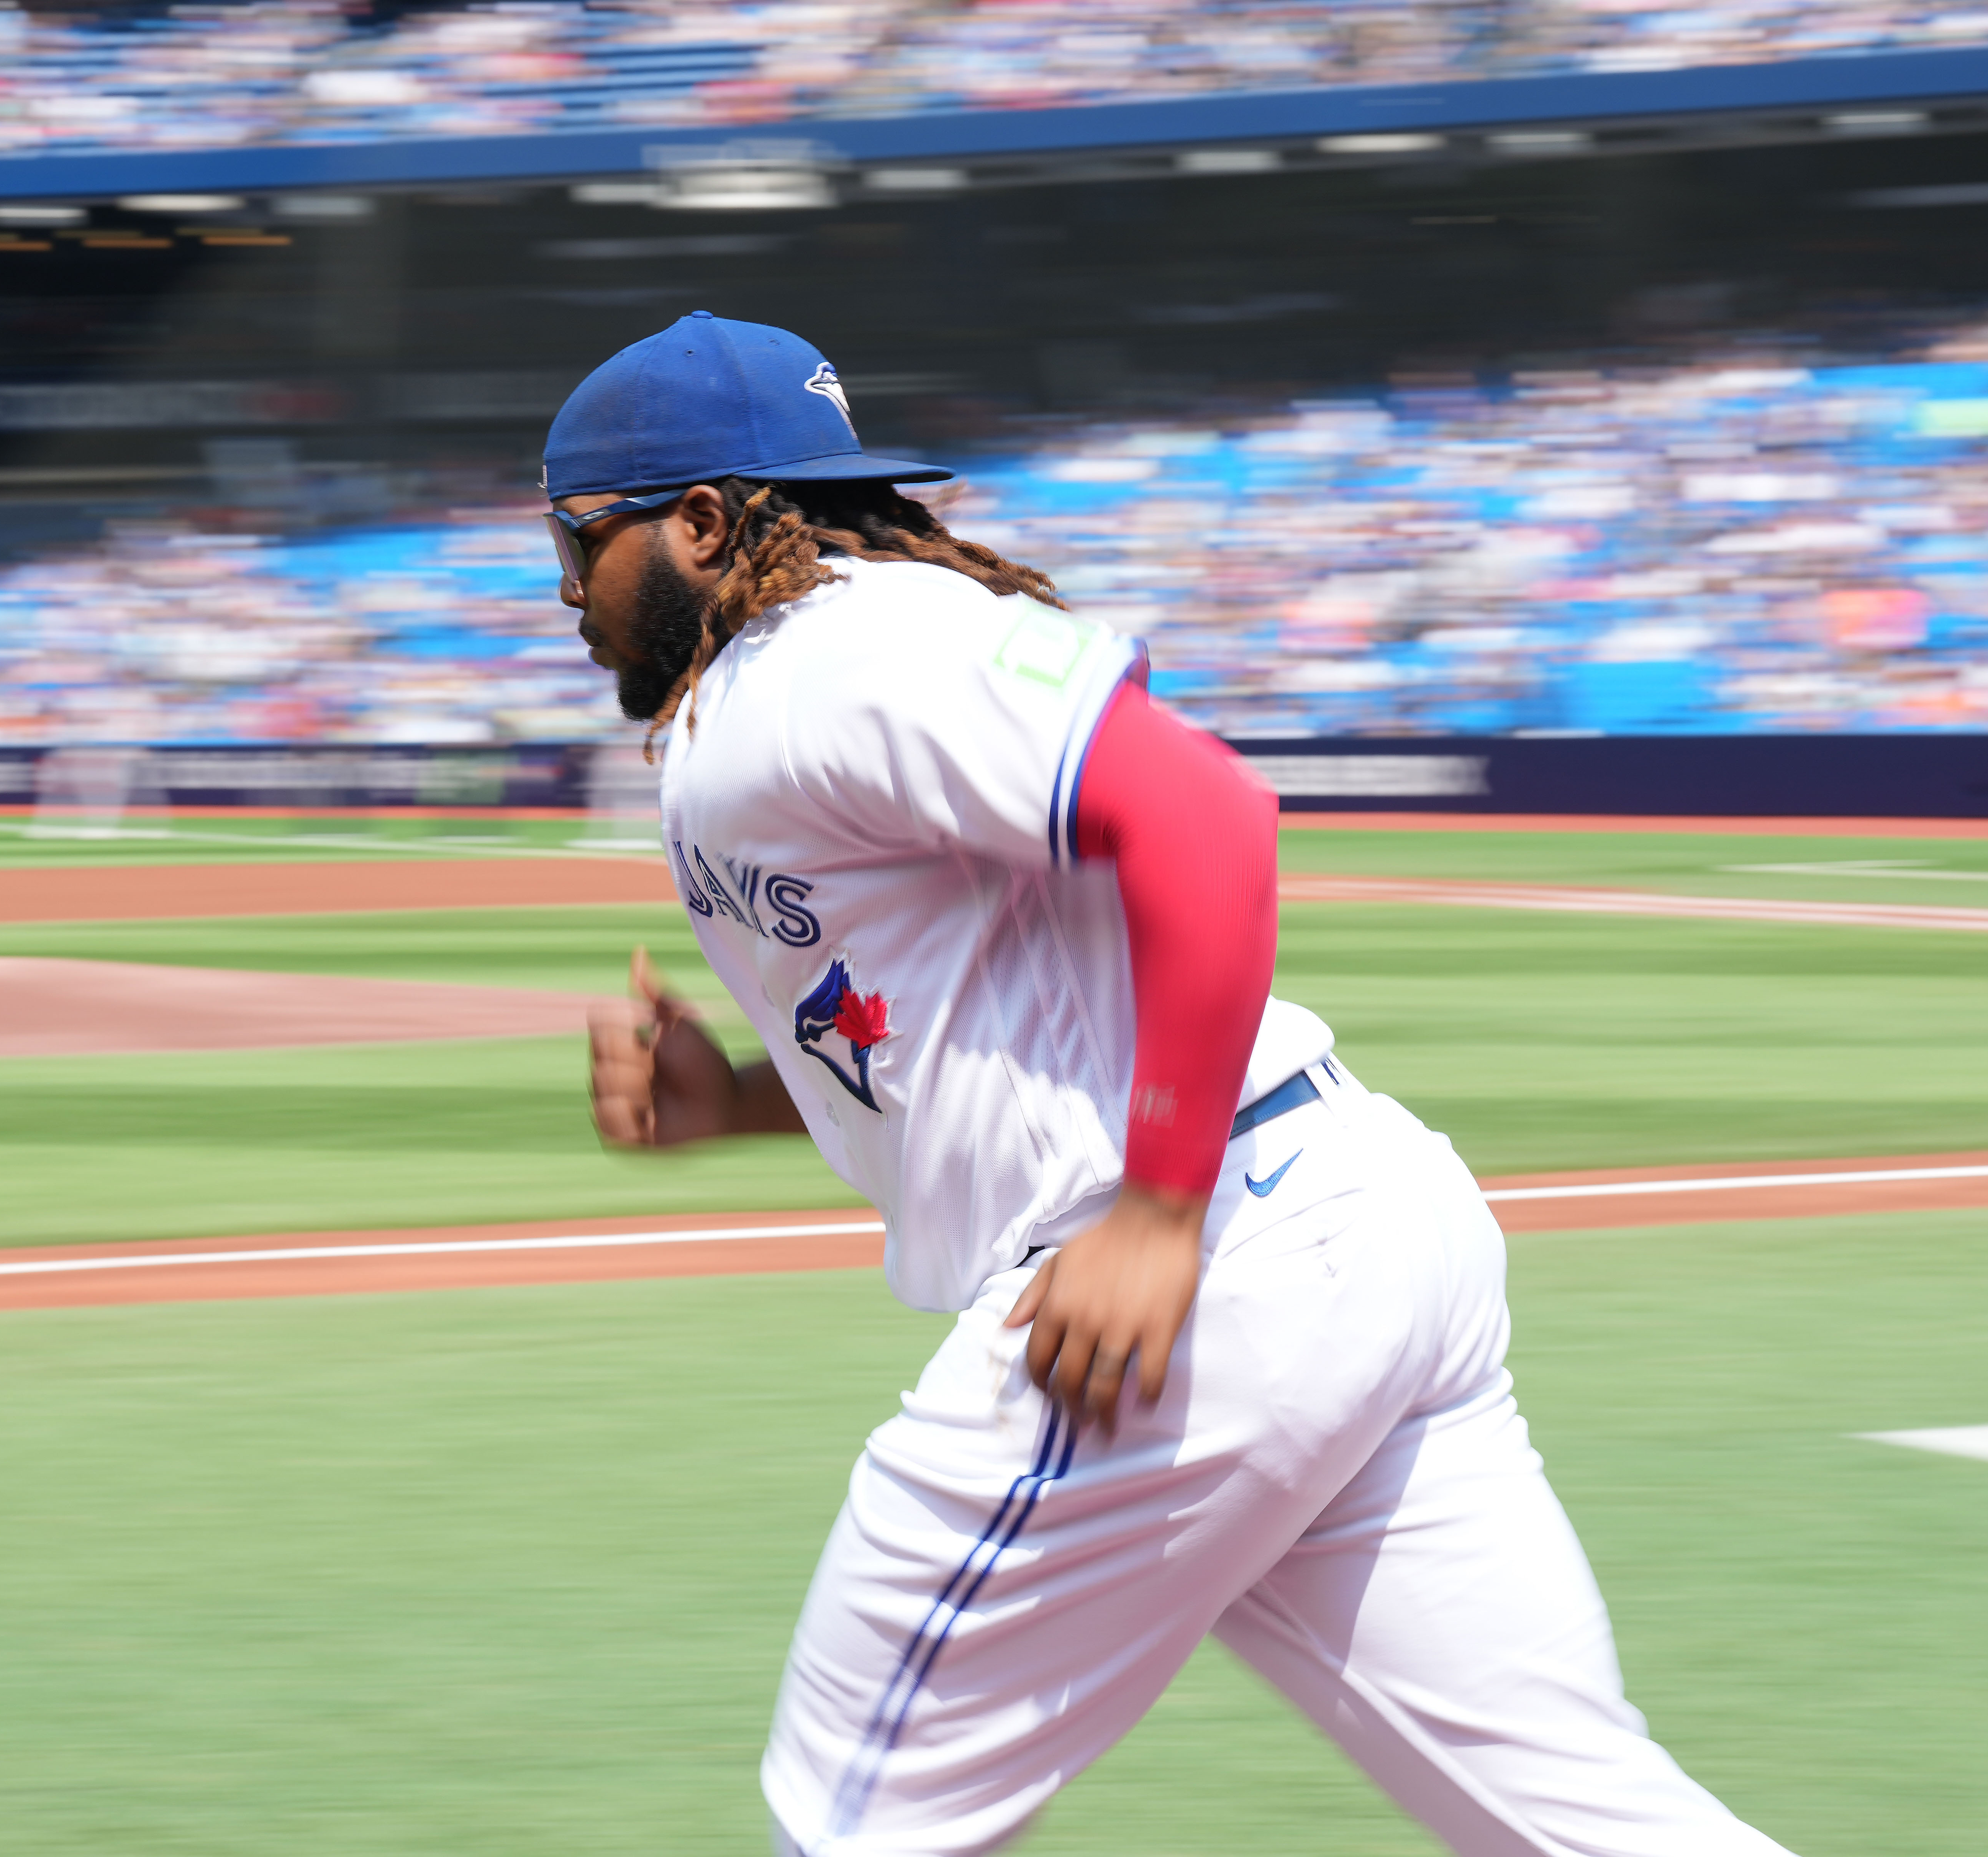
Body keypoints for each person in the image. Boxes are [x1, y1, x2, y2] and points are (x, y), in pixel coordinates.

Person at [558, 313, 1796, 1857]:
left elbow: (1204, 813)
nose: (562, 586)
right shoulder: (783, 685)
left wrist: (1158, 1206)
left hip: (1205, 1269)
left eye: (578, 534)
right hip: (1348, 1225)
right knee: (1587, 1822)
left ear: (699, 522)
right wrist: (735, 1097)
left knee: (852, 1815)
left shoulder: (846, 646)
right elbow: (951, 1019)